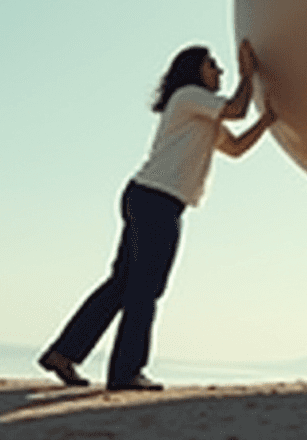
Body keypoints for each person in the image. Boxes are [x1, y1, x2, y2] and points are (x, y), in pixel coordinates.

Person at [37, 42, 277, 390]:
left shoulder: (201, 112)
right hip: (157, 201)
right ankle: (126, 373)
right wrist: (247, 74)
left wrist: (268, 120)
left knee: (122, 284)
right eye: (213, 65)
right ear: (195, 71)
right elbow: (238, 110)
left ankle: (64, 353)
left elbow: (236, 148)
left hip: (147, 197)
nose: (219, 72)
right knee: (145, 289)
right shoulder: (189, 96)